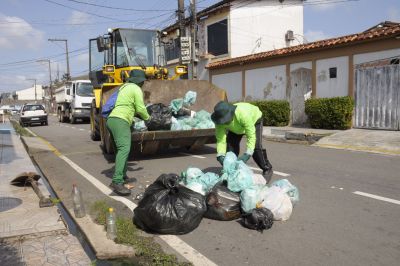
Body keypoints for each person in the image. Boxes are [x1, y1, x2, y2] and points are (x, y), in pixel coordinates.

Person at [106, 69, 150, 195]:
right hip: (121, 121)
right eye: (142, 81)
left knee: (120, 151)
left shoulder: (123, 87)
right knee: (124, 149)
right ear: (139, 81)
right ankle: (117, 181)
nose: (143, 84)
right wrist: (148, 118)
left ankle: (123, 176)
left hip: (112, 120)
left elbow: (129, 106)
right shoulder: (136, 88)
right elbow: (140, 108)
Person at [211, 101, 273, 183]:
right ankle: (232, 172)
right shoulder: (219, 121)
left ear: (231, 114)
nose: (225, 123)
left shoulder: (242, 114)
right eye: (223, 122)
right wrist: (220, 155)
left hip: (254, 120)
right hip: (236, 128)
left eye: (226, 120)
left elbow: (251, 136)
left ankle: (267, 168)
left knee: (256, 148)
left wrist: (248, 154)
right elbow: (221, 140)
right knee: (230, 150)